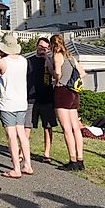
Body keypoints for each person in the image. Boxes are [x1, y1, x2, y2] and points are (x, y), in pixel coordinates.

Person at [0, 33, 33, 178]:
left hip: (8, 102)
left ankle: (16, 168)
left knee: (11, 135)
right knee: (22, 134)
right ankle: (27, 164)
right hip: (22, 102)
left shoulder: (2, 62)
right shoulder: (23, 60)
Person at [48, 34, 86, 171]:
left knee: (66, 128)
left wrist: (54, 75)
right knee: (76, 127)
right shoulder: (70, 56)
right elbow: (82, 73)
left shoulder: (57, 56)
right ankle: (80, 159)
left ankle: (72, 159)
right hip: (73, 92)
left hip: (62, 91)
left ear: (52, 45)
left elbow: (57, 73)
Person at [25, 37, 57, 163]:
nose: (41, 50)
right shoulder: (29, 61)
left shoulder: (50, 61)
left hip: (47, 97)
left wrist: (47, 60)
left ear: (48, 49)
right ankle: (23, 151)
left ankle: (47, 153)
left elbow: (55, 74)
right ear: (36, 46)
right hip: (31, 98)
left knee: (47, 126)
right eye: (40, 47)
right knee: (27, 126)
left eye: (44, 48)